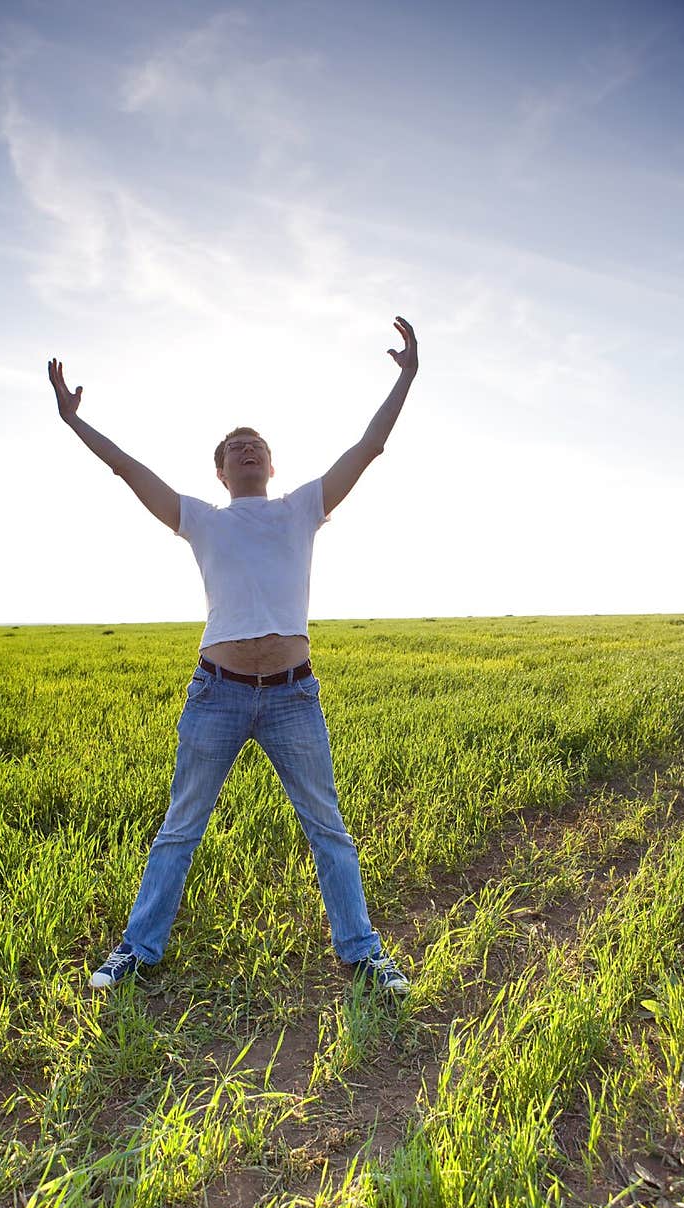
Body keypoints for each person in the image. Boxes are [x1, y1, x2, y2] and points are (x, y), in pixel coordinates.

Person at [47, 314, 418, 995]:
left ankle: (361, 950)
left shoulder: (302, 507)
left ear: (271, 465)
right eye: (235, 447)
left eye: (257, 445)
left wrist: (406, 378)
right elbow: (128, 468)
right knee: (179, 829)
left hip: (291, 696)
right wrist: (75, 422)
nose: (247, 450)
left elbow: (368, 446)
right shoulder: (202, 518)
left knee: (328, 829)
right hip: (215, 693)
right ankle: (138, 949)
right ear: (220, 470)